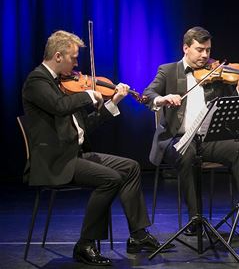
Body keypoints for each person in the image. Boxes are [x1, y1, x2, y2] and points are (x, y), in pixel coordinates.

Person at [21, 30, 173, 266]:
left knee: (131, 167)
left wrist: (113, 102)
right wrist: (88, 94)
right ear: (58, 56)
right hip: (55, 161)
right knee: (110, 179)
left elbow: (86, 125)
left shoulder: (64, 85)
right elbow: (59, 107)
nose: (77, 65)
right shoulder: (37, 81)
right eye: (73, 58)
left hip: (75, 154)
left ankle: (138, 235)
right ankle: (85, 244)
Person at [143, 26, 239, 234]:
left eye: (208, 50)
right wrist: (162, 99)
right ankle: (195, 220)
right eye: (199, 50)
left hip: (206, 140)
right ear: (185, 48)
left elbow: (234, 111)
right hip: (176, 140)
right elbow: (148, 93)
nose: (205, 55)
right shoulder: (168, 71)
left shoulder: (216, 73)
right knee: (186, 153)